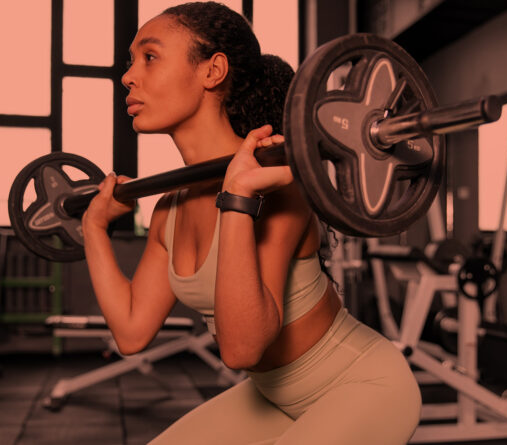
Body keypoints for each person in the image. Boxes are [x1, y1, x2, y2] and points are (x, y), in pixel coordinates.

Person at [81, 2, 421, 444]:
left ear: (212, 70)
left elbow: (242, 349)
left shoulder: (277, 189)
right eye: (131, 62)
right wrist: (93, 228)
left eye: (149, 56)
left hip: (361, 385)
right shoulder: (170, 208)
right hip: (272, 395)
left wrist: (238, 198)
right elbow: (131, 331)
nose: (128, 76)